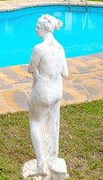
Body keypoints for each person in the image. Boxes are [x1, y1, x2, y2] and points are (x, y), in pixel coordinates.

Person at [27, 14, 69, 177]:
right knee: (53, 123)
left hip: (43, 90)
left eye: (38, 26)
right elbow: (65, 73)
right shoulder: (60, 48)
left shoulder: (39, 48)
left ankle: (41, 163)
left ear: (45, 28)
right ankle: (52, 156)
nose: (35, 28)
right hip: (57, 91)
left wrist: (38, 72)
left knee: (35, 123)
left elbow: (31, 68)